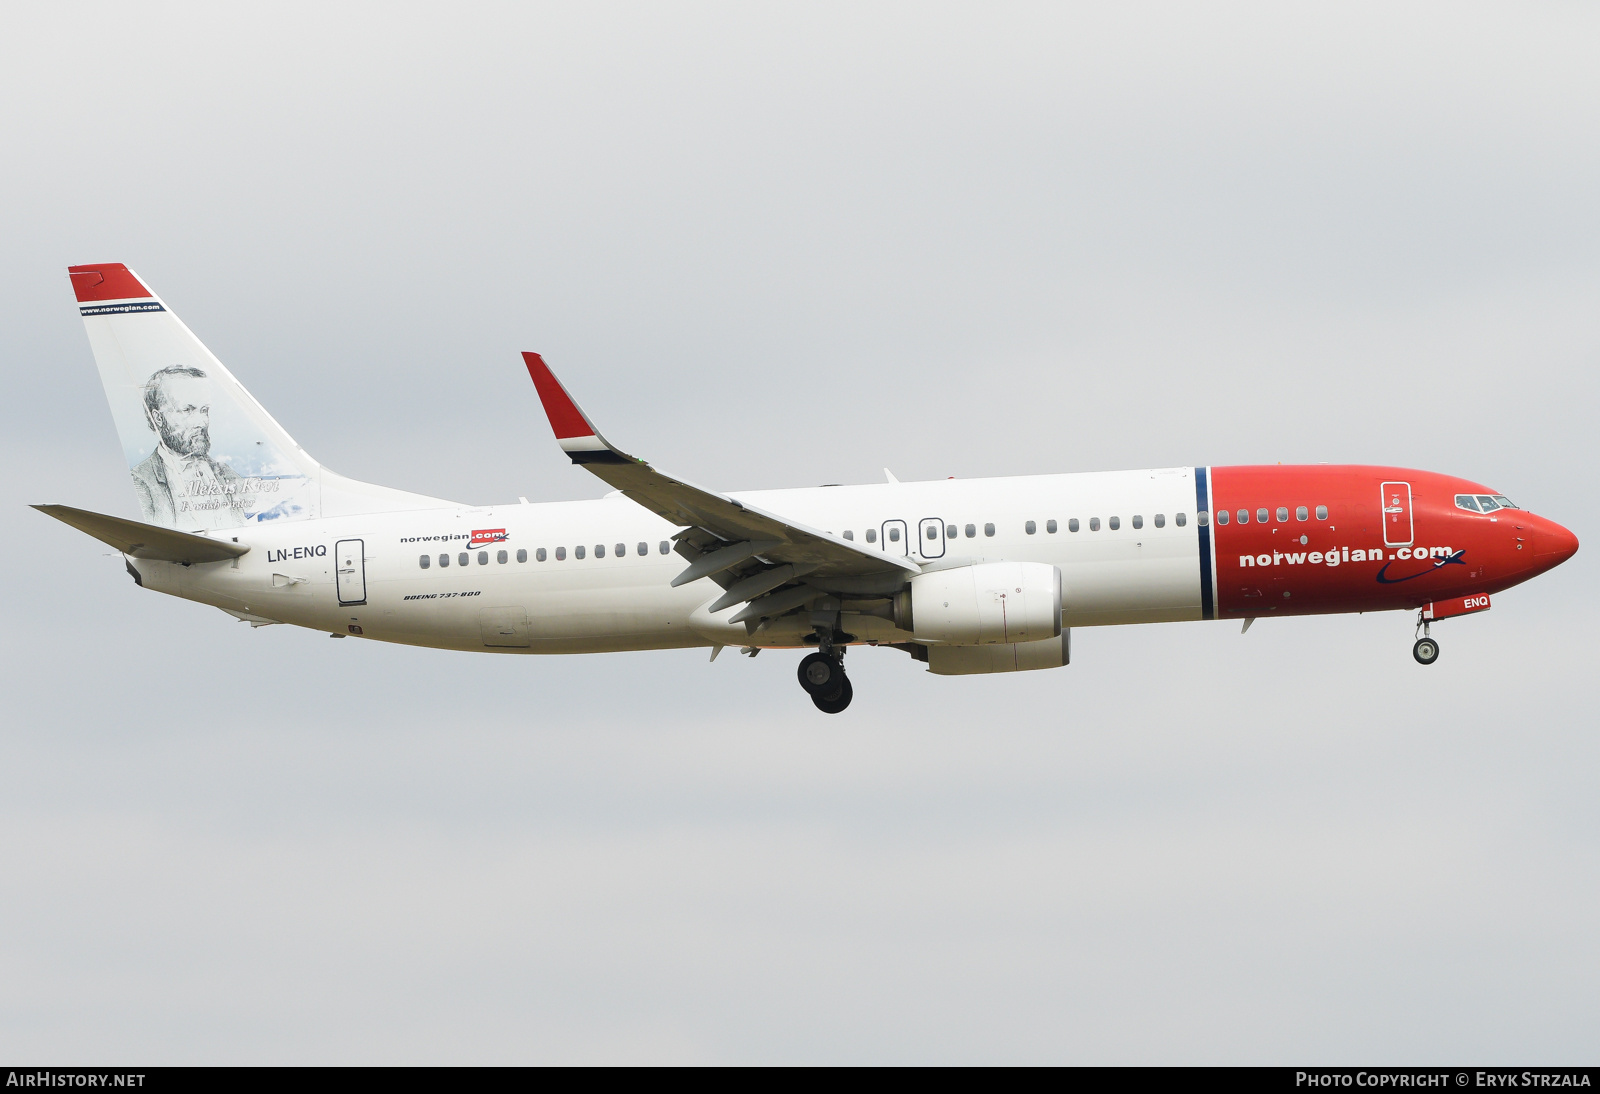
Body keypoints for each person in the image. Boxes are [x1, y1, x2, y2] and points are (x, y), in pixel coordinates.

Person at [130, 366, 251, 529]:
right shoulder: (142, 480)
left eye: (204, 410)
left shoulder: (226, 473)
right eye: (187, 410)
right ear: (158, 418)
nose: (201, 422)